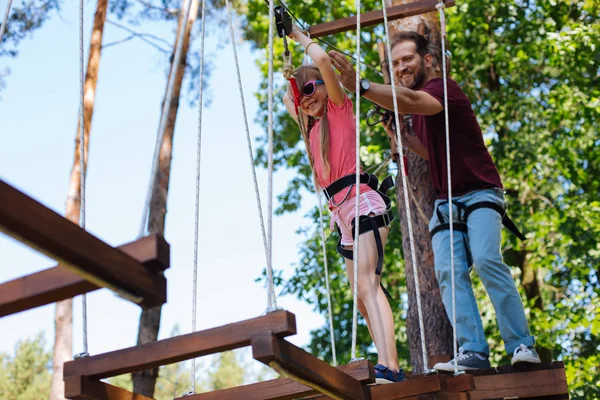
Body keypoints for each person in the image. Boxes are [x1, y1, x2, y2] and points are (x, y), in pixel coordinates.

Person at [328, 31, 542, 371]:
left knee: (487, 259)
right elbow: (429, 151)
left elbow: (412, 101)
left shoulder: (444, 88)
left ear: (427, 60)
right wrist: (403, 138)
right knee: (447, 270)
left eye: (407, 59)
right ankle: (473, 351)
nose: (400, 68)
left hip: (480, 191)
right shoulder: (423, 108)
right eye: (394, 63)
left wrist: (362, 86)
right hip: (447, 200)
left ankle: (521, 345)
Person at [282, 24, 403, 383]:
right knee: (360, 295)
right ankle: (385, 358)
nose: (305, 97)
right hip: (342, 214)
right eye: (300, 94)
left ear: (323, 84)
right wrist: (291, 76)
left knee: (368, 283)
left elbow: (321, 60)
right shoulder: (312, 130)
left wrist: (298, 37)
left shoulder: (338, 107)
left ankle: (391, 367)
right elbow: (289, 101)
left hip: (362, 202)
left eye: (310, 87)